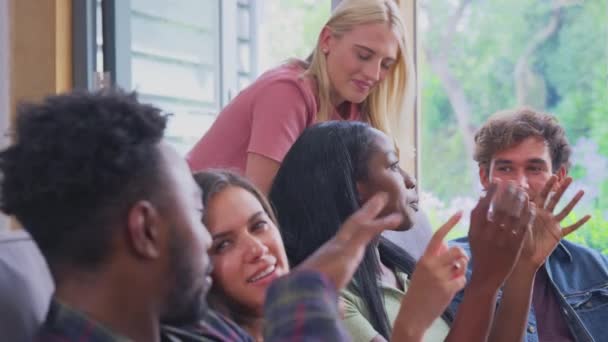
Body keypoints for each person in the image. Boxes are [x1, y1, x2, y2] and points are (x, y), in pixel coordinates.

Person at [0, 90, 414, 342]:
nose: (203, 241)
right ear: (145, 230)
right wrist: (307, 297)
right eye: (197, 216)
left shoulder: (197, 328)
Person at [269, 121, 539, 341]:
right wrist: (484, 281)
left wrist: (523, 268)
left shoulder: (402, 271)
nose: (410, 180)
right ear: (353, 187)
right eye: (393, 166)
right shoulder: (332, 301)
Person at [187, 0, 415, 194]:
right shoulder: (287, 93)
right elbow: (261, 206)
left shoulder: (354, 109)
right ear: (327, 40)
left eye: (386, 64)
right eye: (363, 55)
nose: (373, 74)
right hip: (191, 222)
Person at [451, 107, 607, 342]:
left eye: (534, 169)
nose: (521, 184)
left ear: (559, 177)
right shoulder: (454, 268)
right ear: (485, 178)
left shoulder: (596, 269)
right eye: (505, 168)